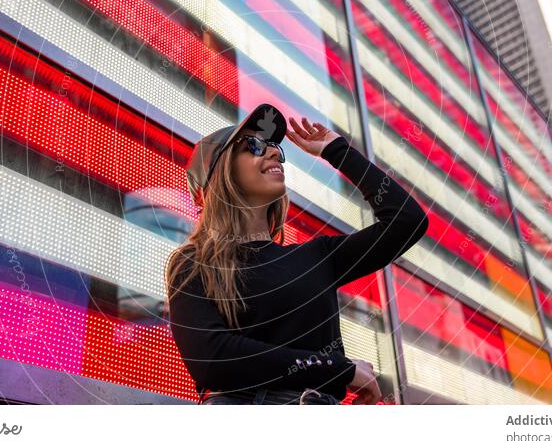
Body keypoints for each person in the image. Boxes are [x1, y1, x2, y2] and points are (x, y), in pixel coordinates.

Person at [165, 103, 428, 405]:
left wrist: (336, 150)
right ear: (219, 175)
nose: (274, 152)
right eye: (253, 145)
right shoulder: (193, 263)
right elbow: (212, 359)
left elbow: (407, 222)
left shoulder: (317, 256)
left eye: (275, 146)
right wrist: (338, 369)